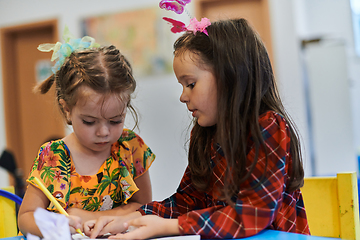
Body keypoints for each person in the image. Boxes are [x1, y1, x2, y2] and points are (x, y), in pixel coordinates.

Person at [83, 18, 310, 239]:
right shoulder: (205, 134)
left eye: (190, 84)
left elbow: (252, 214)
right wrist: (131, 220)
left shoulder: (268, 127)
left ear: (230, 76)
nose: (183, 96)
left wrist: (171, 227)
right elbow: (187, 201)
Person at [17, 31, 155, 237]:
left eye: (115, 120)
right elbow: (26, 217)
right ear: (67, 109)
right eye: (89, 122)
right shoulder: (52, 156)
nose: (103, 132)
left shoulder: (130, 147)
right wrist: (57, 225)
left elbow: (145, 207)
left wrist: (85, 215)